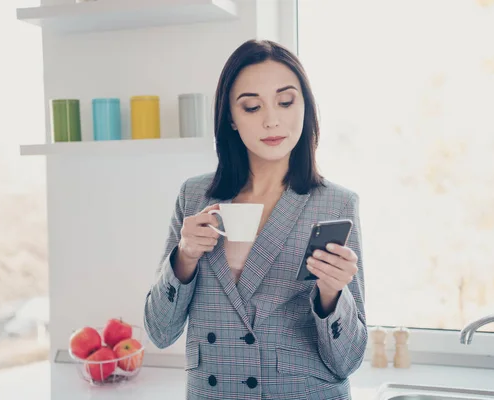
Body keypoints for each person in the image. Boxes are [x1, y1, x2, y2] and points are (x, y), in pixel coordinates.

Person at [144, 39, 367, 400]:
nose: (271, 119)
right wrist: (184, 257)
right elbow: (160, 331)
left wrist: (331, 294)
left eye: (285, 101)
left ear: (305, 107)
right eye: (251, 106)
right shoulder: (195, 197)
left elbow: (348, 360)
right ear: (231, 118)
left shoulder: (336, 204)